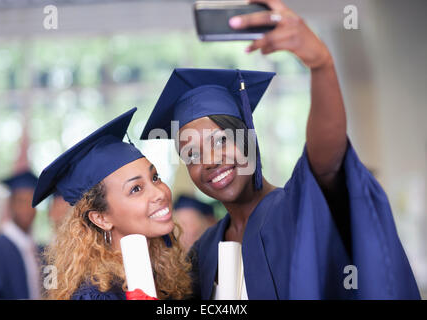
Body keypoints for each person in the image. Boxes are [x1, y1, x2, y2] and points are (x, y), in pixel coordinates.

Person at [140, 0, 420, 299]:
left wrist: (321, 65)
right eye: (192, 154)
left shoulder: (298, 209)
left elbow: (326, 161)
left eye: (221, 140)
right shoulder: (204, 250)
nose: (209, 160)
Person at [33, 108, 192, 300]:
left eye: (155, 177)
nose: (159, 193)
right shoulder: (96, 295)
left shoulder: (166, 275)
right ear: (101, 218)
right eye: (136, 189)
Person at [0, 170, 42, 299]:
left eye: (33, 203)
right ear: (11, 205)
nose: (28, 209)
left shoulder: (41, 251)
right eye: (22, 202)